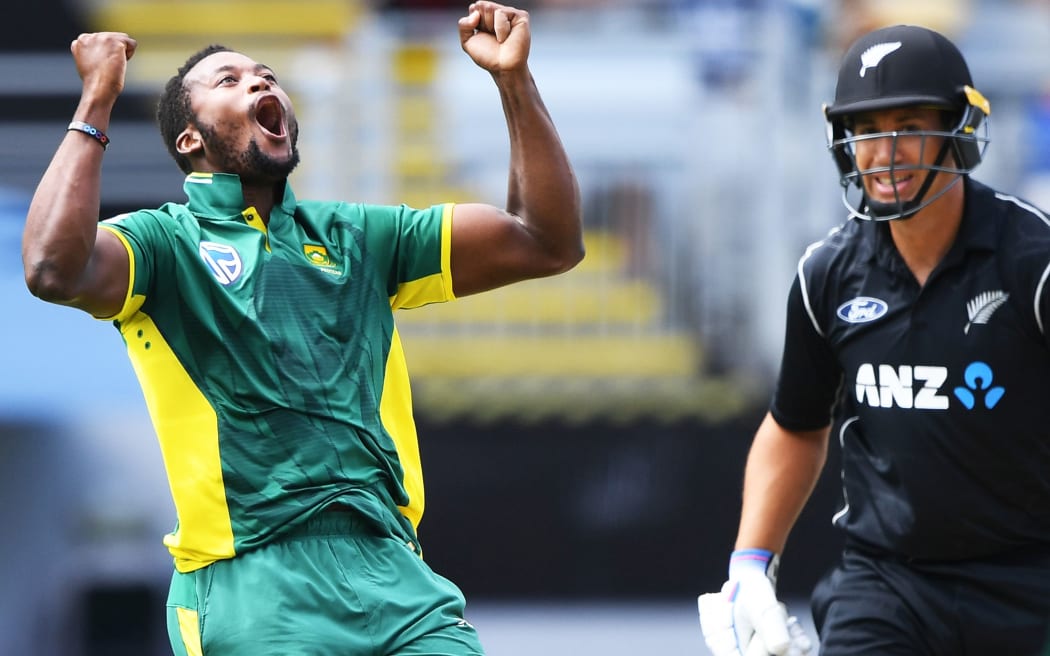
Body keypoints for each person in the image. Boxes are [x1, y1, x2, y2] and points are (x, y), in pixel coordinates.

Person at [21, 2, 583, 654]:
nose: (260, 83)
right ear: (190, 140)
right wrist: (96, 100)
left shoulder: (360, 237)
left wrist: (513, 81)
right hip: (253, 582)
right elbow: (51, 268)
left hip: (395, 575)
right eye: (228, 81)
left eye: (265, 75)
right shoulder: (162, 245)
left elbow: (546, 241)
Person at [697, 23, 1050, 656]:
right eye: (866, 130)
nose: (884, 152)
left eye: (910, 126)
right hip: (889, 581)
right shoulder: (826, 275)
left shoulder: (1035, 263)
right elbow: (795, 426)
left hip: (1033, 579)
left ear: (958, 132)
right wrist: (749, 565)